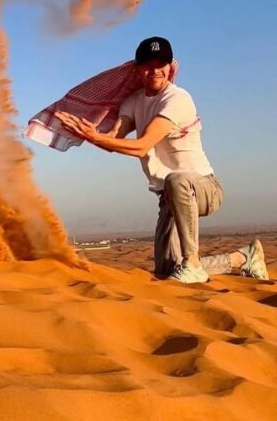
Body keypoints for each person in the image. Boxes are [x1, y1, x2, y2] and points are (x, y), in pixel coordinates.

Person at [55, 36, 269, 284]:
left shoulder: (177, 99)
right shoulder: (133, 102)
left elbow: (141, 146)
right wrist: (91, 135)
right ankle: (243, 257)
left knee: (177, 180)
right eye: (148, 64)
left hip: (203, 188)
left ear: (170, 67)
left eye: (161, 64)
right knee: (167, 268)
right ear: (138, 68)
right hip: (170, 196)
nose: (155, 70)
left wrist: (97, 138)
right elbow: (114, 139)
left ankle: (192, 264)